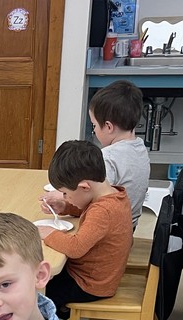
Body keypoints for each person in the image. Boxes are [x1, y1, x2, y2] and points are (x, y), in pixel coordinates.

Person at [37, 140, 133, 320]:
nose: (65, 197)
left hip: (90, 284)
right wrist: (65, 207)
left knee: (41, 293)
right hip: (97, 276)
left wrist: (48, 233)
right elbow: (89, 210)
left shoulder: (103, 211)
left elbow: (76, 247)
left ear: (84, 187)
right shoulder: (112, 195)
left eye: (65, 193)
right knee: (42, 276)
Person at [44, 80, 150, 229]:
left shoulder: (109, 157)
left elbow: (91, 196)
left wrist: (62, 196)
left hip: (108, 230)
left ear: (108, 126)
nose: (94, 130)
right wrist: (65, 207)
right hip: (127, 227)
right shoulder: (140, 147)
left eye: (94, 125)